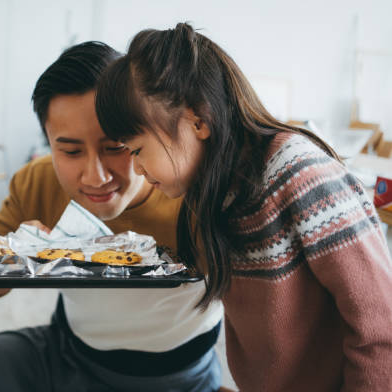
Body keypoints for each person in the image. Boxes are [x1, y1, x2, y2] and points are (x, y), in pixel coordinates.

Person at [94, 22, 392, 392]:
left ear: (197, 121)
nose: (136, 167)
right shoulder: (212, 192)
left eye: (137, 150)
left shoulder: (300, 175)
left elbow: (380, 328)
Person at [0, 41, 224, 392]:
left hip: (181, 376)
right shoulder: (38, 182)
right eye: (71, 151)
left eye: (115, 147)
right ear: (48, 143)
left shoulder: (196, 193)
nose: (96, 177)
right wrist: (12, 263)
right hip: (66, 355)